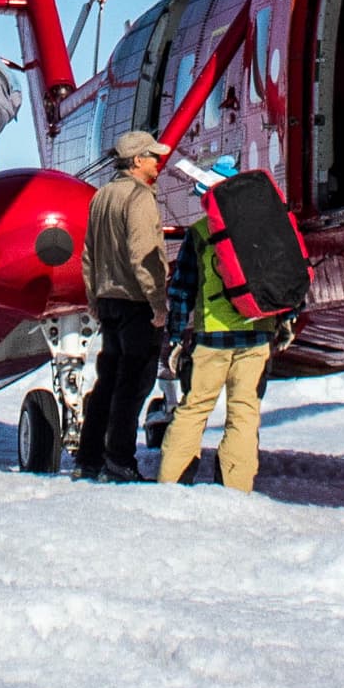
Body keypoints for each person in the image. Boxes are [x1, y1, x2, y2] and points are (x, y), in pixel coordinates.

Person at [157, 156, 277, 491]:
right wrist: (286, 321)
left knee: (194, 409)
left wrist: (177, 336)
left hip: (212, 338)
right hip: (256, 335)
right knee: (244, 413)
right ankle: (236, 487)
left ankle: (172, 482)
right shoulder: (264, 227)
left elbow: (181, 289)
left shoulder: (198, 234)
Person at [77, 130, 170, 483]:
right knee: (134, 384)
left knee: (108, 380)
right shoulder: (139, 198)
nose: (158, 162)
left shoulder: (101, 196)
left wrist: (93, 298)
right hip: (136, 302)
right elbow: (143, 254)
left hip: (109, 300)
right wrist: (157, 303)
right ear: (136, 161)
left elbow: (89, 254)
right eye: (152, 156)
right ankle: (119, 458)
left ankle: (90, 457)